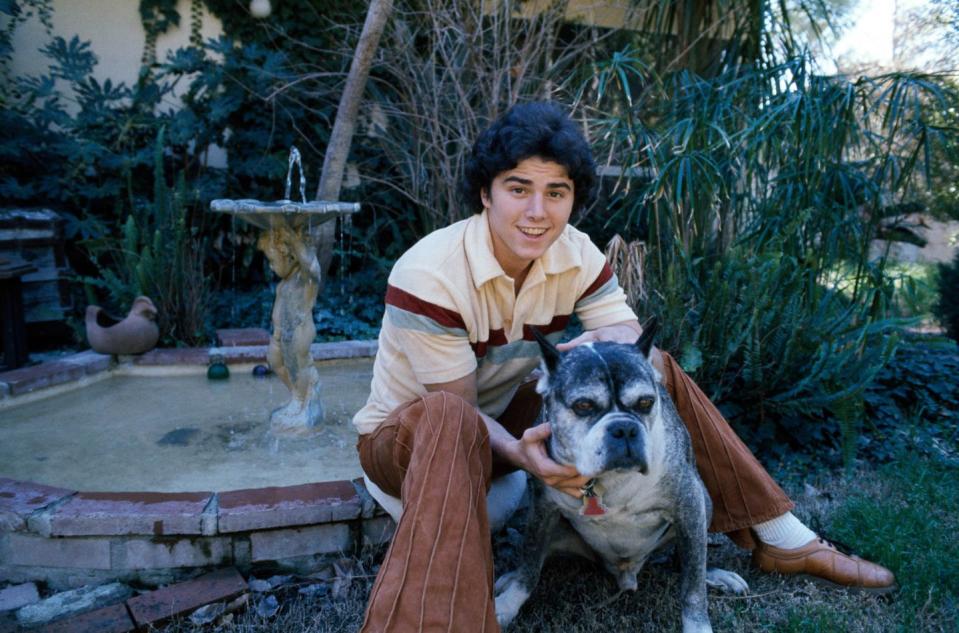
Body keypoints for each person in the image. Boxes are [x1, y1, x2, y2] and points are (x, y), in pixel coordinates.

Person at [352, 102, 895, 632]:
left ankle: (783, 536)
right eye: (518, 189)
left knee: (651, 370)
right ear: (485, 193)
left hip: (500, 425)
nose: (537, 211)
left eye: (556, 192)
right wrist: (522, 454)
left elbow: (632, 340)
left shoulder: (574, 252)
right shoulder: (430, 273)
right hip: (411, 445)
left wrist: (606, 345)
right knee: (447, 416)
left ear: (572, 201)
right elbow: (462, 412)